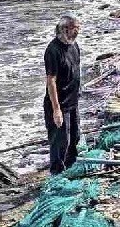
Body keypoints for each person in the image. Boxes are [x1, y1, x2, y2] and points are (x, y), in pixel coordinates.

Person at [43, 15, 82, 174]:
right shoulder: (53, 50)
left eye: (78, 28)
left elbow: (76, 68)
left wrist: (78, 91)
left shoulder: (74, 45)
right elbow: (51, 81)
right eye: (74, 29)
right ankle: (57, 173)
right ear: (64, 29)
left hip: (73, 101)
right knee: (60, 142)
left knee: (75, 137)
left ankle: (71, 168)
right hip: (59, 105)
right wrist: (56, 110)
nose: (77, 32)